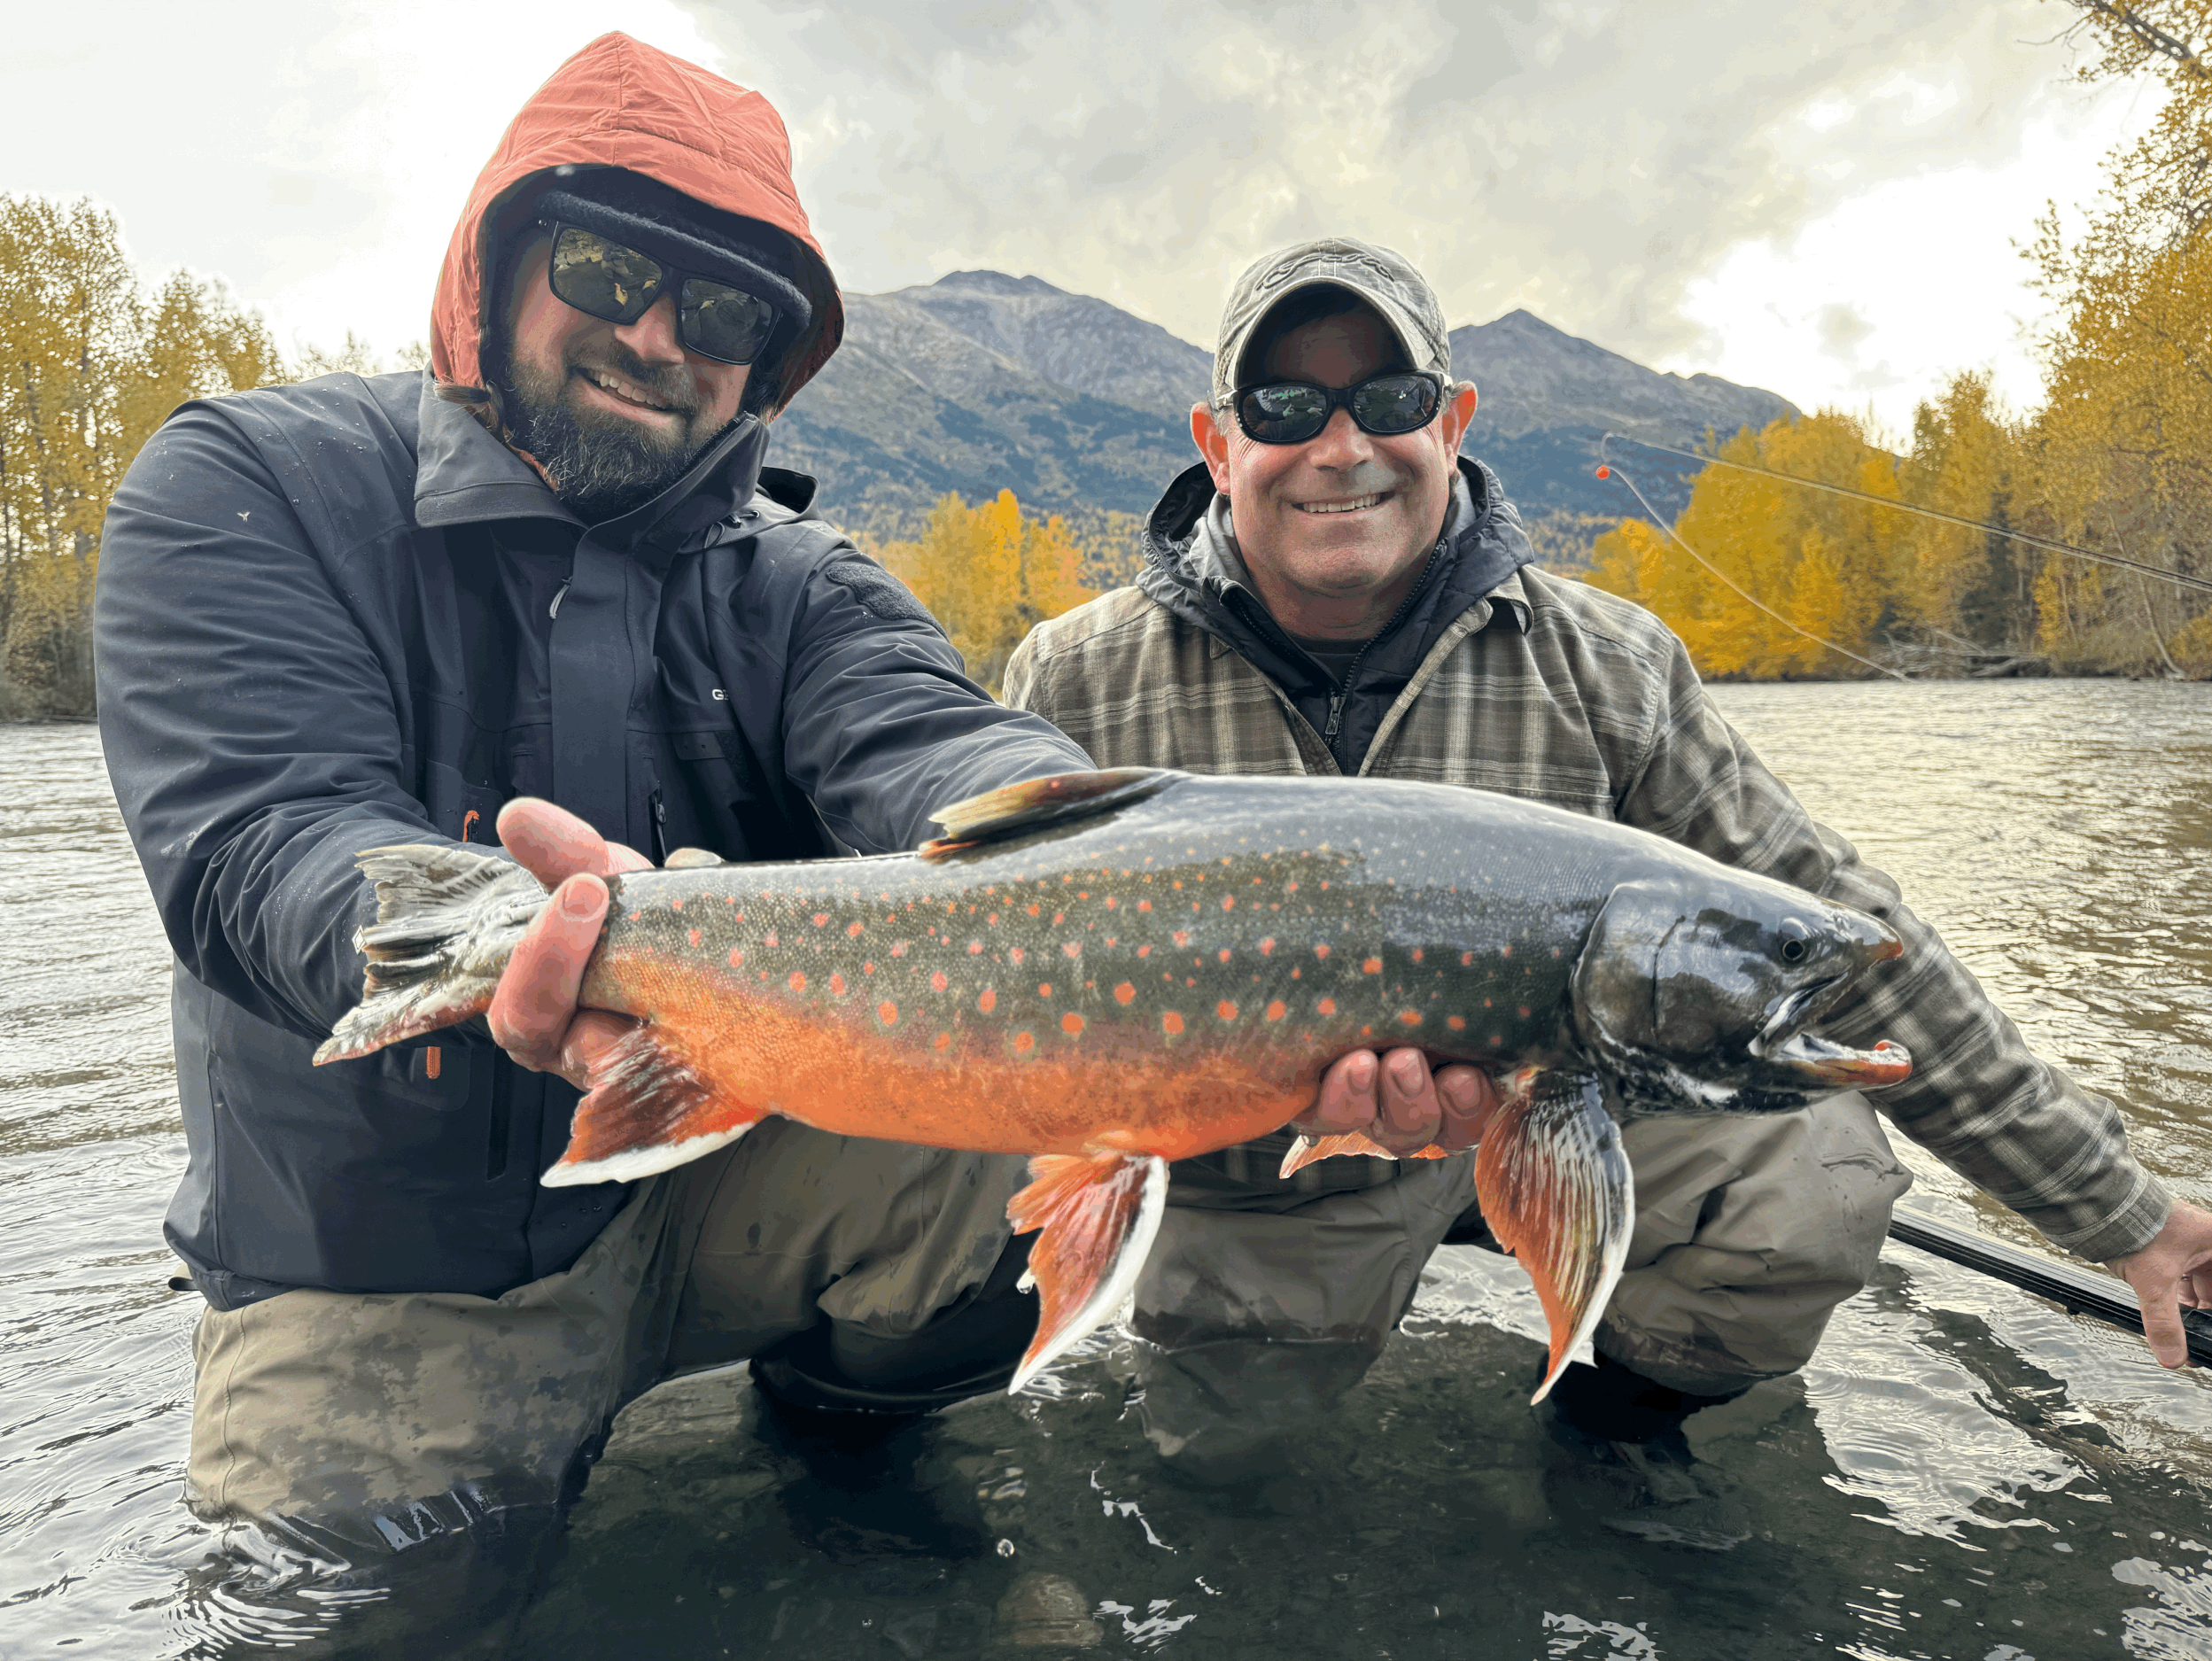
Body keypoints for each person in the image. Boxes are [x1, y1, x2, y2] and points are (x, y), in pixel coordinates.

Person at [93, 35, 1420, 1649]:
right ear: (499, 262)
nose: (658, 335)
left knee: (1028, 1095)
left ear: (765, 366)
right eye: (607, 266)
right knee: (376, 1611)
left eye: (723, 313)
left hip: (724, 1180)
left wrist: (1123, 875)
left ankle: (844, 1441)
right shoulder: (254, 481)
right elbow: (256, 841)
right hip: (383, 1253)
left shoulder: (804, 579)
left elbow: (948, 753)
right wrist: (493, 939)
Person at [1002, 235, 2212, 1542]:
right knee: (1224, 1480)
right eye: (1287, 407)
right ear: (1219, 438)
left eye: (1392, 399)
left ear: (1452, 420)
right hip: (1268, 1174)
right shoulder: (1074, 680)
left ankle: (1614, 1423)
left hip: (1575, 1116)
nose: (1341, 446)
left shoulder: (1612, 667)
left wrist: (2128, 1216)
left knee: (1817, 1168)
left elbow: (1866, 947)